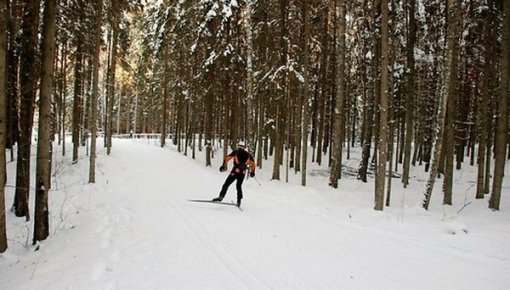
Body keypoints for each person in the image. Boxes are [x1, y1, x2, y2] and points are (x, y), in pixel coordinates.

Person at [213, 141, 256, 207]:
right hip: (242, 173)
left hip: (235, 172)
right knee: (238, 186)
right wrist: (252, 172)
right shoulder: (248, 155)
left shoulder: (236, 152)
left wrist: (223, 166)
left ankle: (221, 197)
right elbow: (253, 164)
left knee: (226, 184)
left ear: (238, 146)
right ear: (244, 147)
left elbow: (227, 158)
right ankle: (239, 200)